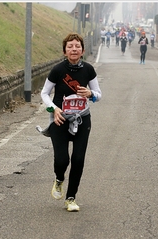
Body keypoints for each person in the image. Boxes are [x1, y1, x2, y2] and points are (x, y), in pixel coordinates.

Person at [38, 33, 102, 211]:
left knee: (78, 159)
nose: (74, 49)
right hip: (60, 118)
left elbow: (98, 94)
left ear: (82, 50)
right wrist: (54, 109)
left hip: (82, 119)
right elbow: (44, 93)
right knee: (62, 160)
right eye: (70, 46)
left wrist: (90, 94)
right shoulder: (57, 70)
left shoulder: (88, 69)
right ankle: (59, 179)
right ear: (65, 51)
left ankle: (71, 198)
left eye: (77, 46)